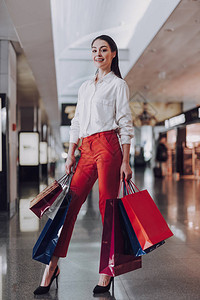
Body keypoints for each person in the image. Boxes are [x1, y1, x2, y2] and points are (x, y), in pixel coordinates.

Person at [34, 35, 134, 295]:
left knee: (107, 207)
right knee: (69, 205)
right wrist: (70, 154)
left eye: (103, 50)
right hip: (86, 150)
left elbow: (125, 124)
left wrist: (126, 160)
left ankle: (107, 270)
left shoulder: (118, 85)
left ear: (113, 53)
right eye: (94, 50)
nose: (98, 54)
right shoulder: (85, 86)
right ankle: (52, 265)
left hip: (109, 147)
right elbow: (76, 121)